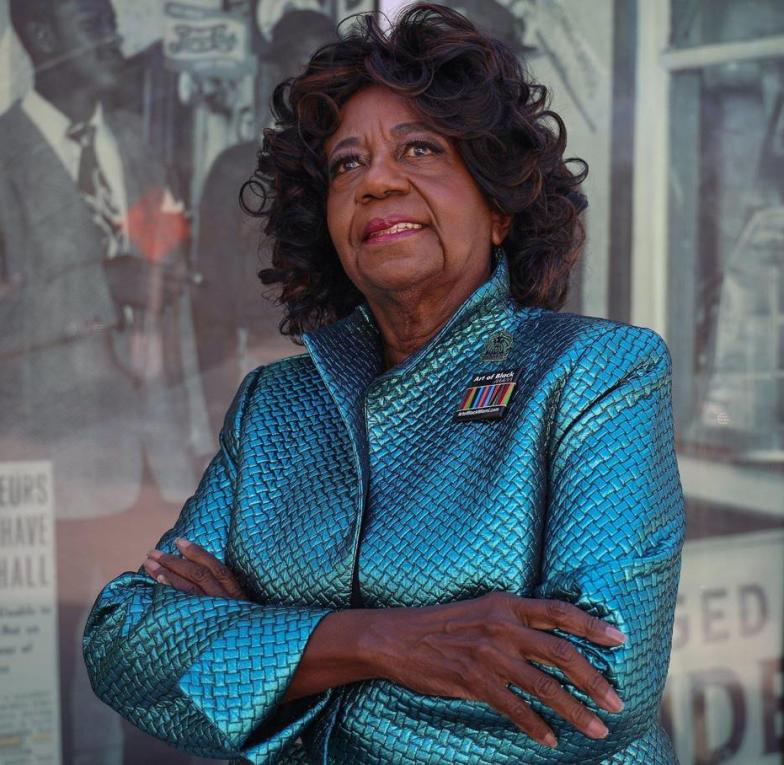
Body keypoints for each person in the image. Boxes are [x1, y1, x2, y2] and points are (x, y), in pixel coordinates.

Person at [84, 5, 684, 762]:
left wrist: (267, 653)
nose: (377, 181)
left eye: (421, 148)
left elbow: (598, 693)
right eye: (346, 164)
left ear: (498, 206)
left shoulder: (597, 374)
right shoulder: (273, 408)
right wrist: (380, 642)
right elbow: (122, 642)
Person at [0, 0, 195, 762]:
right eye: (92, 22)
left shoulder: (142, 149)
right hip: (51, 472)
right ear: (41, 38)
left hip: (158, 466)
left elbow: (168, 298)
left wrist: (195, 438)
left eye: (112, 20)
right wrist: (96, 289)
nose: (113, 36)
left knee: (158, 687)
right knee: (64, 684)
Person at [192, 9, 340, 439]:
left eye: (328, 67)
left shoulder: (360, 165)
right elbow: (212, 306)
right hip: (264, 367)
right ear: (275, 71)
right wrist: (218, 411)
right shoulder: (235, 171)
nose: (314, 82)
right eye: (299, 65)